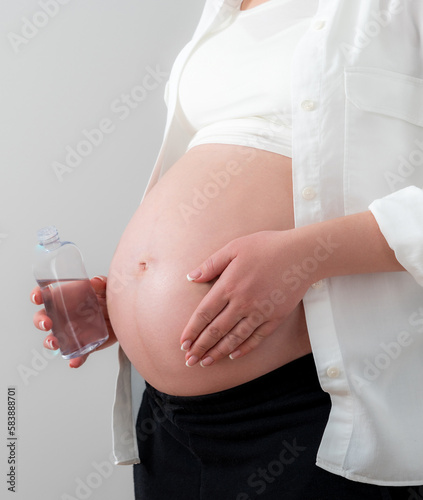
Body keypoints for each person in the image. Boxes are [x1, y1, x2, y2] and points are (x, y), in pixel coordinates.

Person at [31, 0, 423, 498]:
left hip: (304, 404)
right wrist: (128, 299)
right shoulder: (223, 9)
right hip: (167, 424)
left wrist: (310, 256)